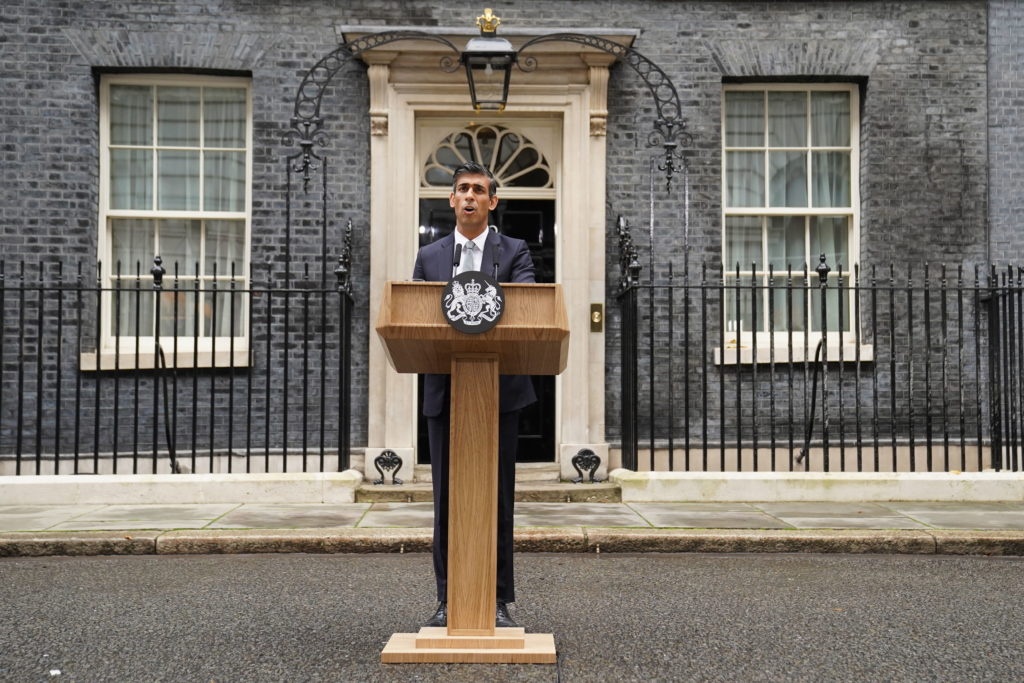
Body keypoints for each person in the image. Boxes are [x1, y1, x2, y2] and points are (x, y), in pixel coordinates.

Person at [412, 161, 536, 629]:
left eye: (478, 190)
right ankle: (448, 599)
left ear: (492, 201)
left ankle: (497, 600)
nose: (468, 196)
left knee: (497, 499)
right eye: (461, 189)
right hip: (447, 393)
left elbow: (524, 309)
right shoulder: (429, 257)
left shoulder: (516, 250)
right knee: (446, 502)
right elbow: (420, 317)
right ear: (450, 200)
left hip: (499, 393)